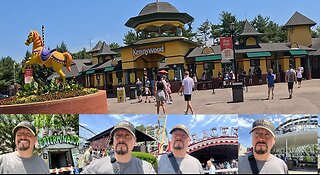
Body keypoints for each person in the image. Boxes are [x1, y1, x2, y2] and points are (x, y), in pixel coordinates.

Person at [81, 121, 156, 174]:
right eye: (118, 135)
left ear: (135, 141)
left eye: (127, 135)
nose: (121, 139)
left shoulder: (146, 168)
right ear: (113, 141)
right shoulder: (96, 165)